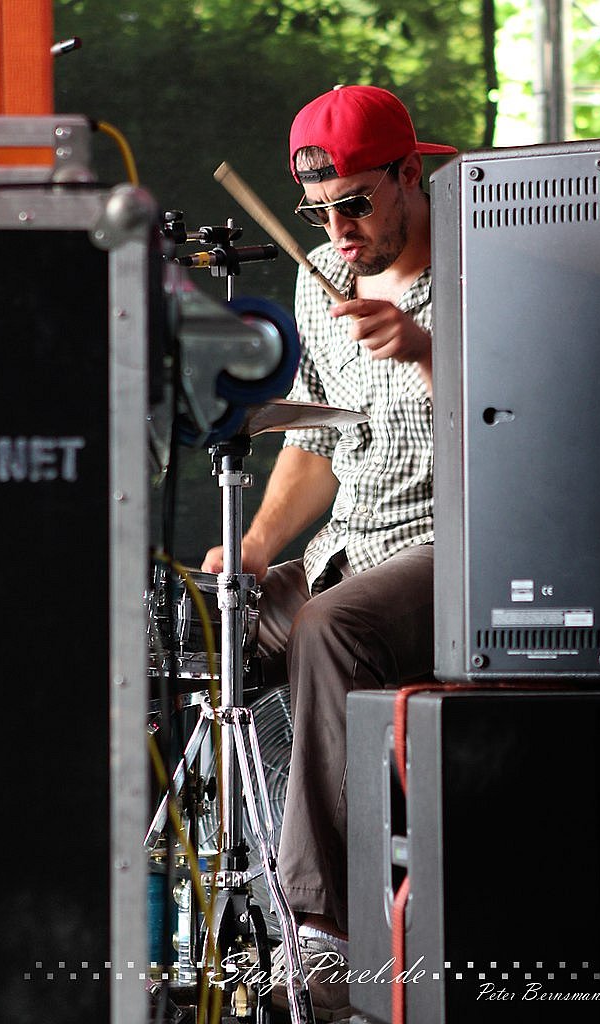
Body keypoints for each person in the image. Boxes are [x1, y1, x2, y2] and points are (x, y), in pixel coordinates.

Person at [202, 84, 456, 1019]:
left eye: (354, 203)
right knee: (194, 626)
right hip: (351, 546)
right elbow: (315, 441)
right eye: (318, 212)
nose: (338, 231)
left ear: (408, 173)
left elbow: (525, 423)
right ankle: (194, 898)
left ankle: (322, 935)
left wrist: (426, 350)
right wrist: (255, 546)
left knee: (328, 628)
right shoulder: (321, 281)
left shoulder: (479, 265)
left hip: (453, 546)